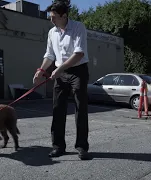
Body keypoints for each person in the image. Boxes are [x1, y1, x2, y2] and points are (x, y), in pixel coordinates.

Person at [32, 0, 90, 160]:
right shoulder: (52, 32)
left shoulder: (78, 27)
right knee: (57, 108)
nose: (51, 20)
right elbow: (49, 55)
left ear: (64, 16)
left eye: (54, 17)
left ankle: (82, 147)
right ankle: (58, 146)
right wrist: (41, 70)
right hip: (60, 72)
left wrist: (59, 69)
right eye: (50, 17)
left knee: (80, 108)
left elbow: (79, 53)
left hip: (78, 71)